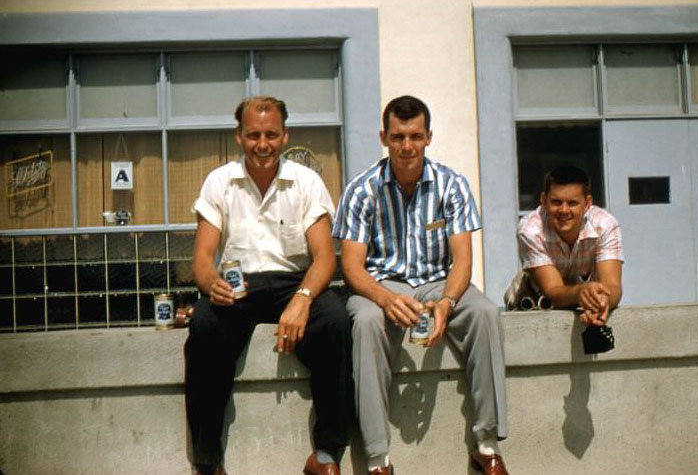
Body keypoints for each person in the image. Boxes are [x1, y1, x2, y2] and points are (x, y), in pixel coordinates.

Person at [333, 95, 509, 475]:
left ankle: (487, 443)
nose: (407, 146)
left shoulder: (452, 184)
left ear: (429, 137)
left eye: (415, 136)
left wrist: (447, 301)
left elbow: (463, 260)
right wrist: (386, 298)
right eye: (398, 137)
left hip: (437, 283)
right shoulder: (362, 190)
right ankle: (378, 459)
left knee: (485, 312)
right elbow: (351, 267)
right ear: (384, 137)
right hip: (378, 285)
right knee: (364, 323)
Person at [184, 96, 352, 475]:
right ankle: (207, 461)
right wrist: (212, 284)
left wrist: (303, 299)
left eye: (271, 134)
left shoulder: (306, 181)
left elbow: (325, 258)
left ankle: (326, 454)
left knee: (337, 322)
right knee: (205, 327)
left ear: (285, 135)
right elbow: (202, 258)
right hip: (237, 284)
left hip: (293, 281)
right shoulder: (219, 182)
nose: (263, 144)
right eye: (254, 134)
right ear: (239, 137)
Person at [516, 166, 623, 326]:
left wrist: (601, 302)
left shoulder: (606, 224)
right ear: (543, 200)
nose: (564, 210)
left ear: (587, 204)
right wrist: (581, 292)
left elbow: (613, 286)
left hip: (588, 300)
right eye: (556, 202)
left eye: (572, 203)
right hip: (536, 302)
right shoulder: (530, 230)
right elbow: (552, 291)